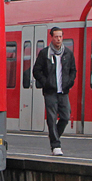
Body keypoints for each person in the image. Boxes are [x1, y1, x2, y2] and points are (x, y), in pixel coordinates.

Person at [33, 27, 76, 155]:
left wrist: (70, 82)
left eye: (60, 36)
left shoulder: (68, 54)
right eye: (56, 36)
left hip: (63, 91)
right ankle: (56, 145)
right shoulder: (44, 53)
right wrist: (46, 82)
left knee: (66, 116)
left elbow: (73, 70)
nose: (58, 39)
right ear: (51, 37)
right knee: (51, 118)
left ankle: (54, 135)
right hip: (50, 92)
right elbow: (36, 70)